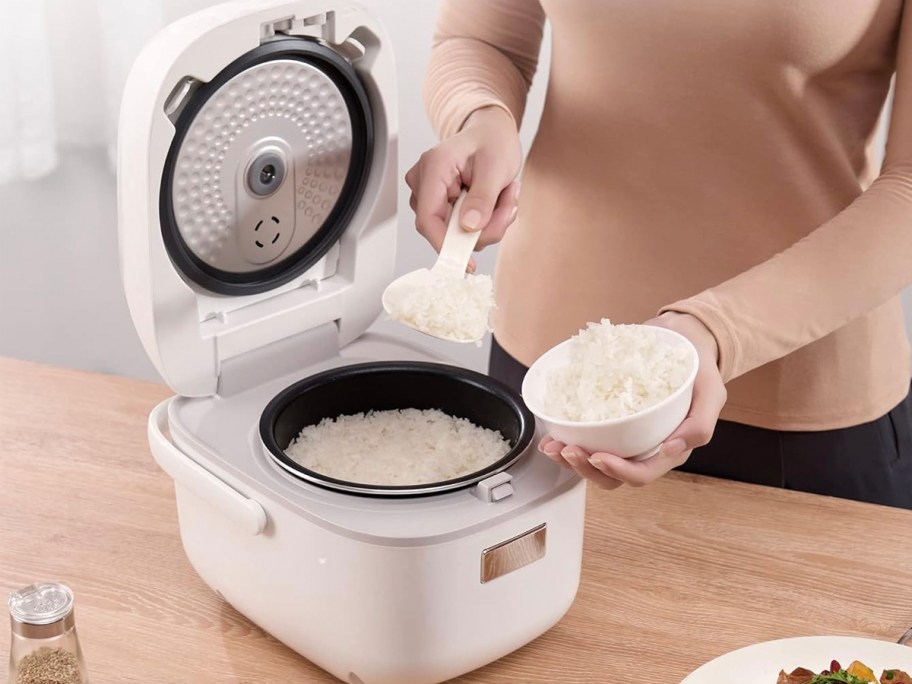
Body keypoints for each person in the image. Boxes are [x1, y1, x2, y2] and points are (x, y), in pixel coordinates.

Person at [405, 0, 912, 509]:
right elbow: (483, 42)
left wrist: (718, 329)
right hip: (551, 377)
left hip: (799, 403)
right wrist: (480, 117)